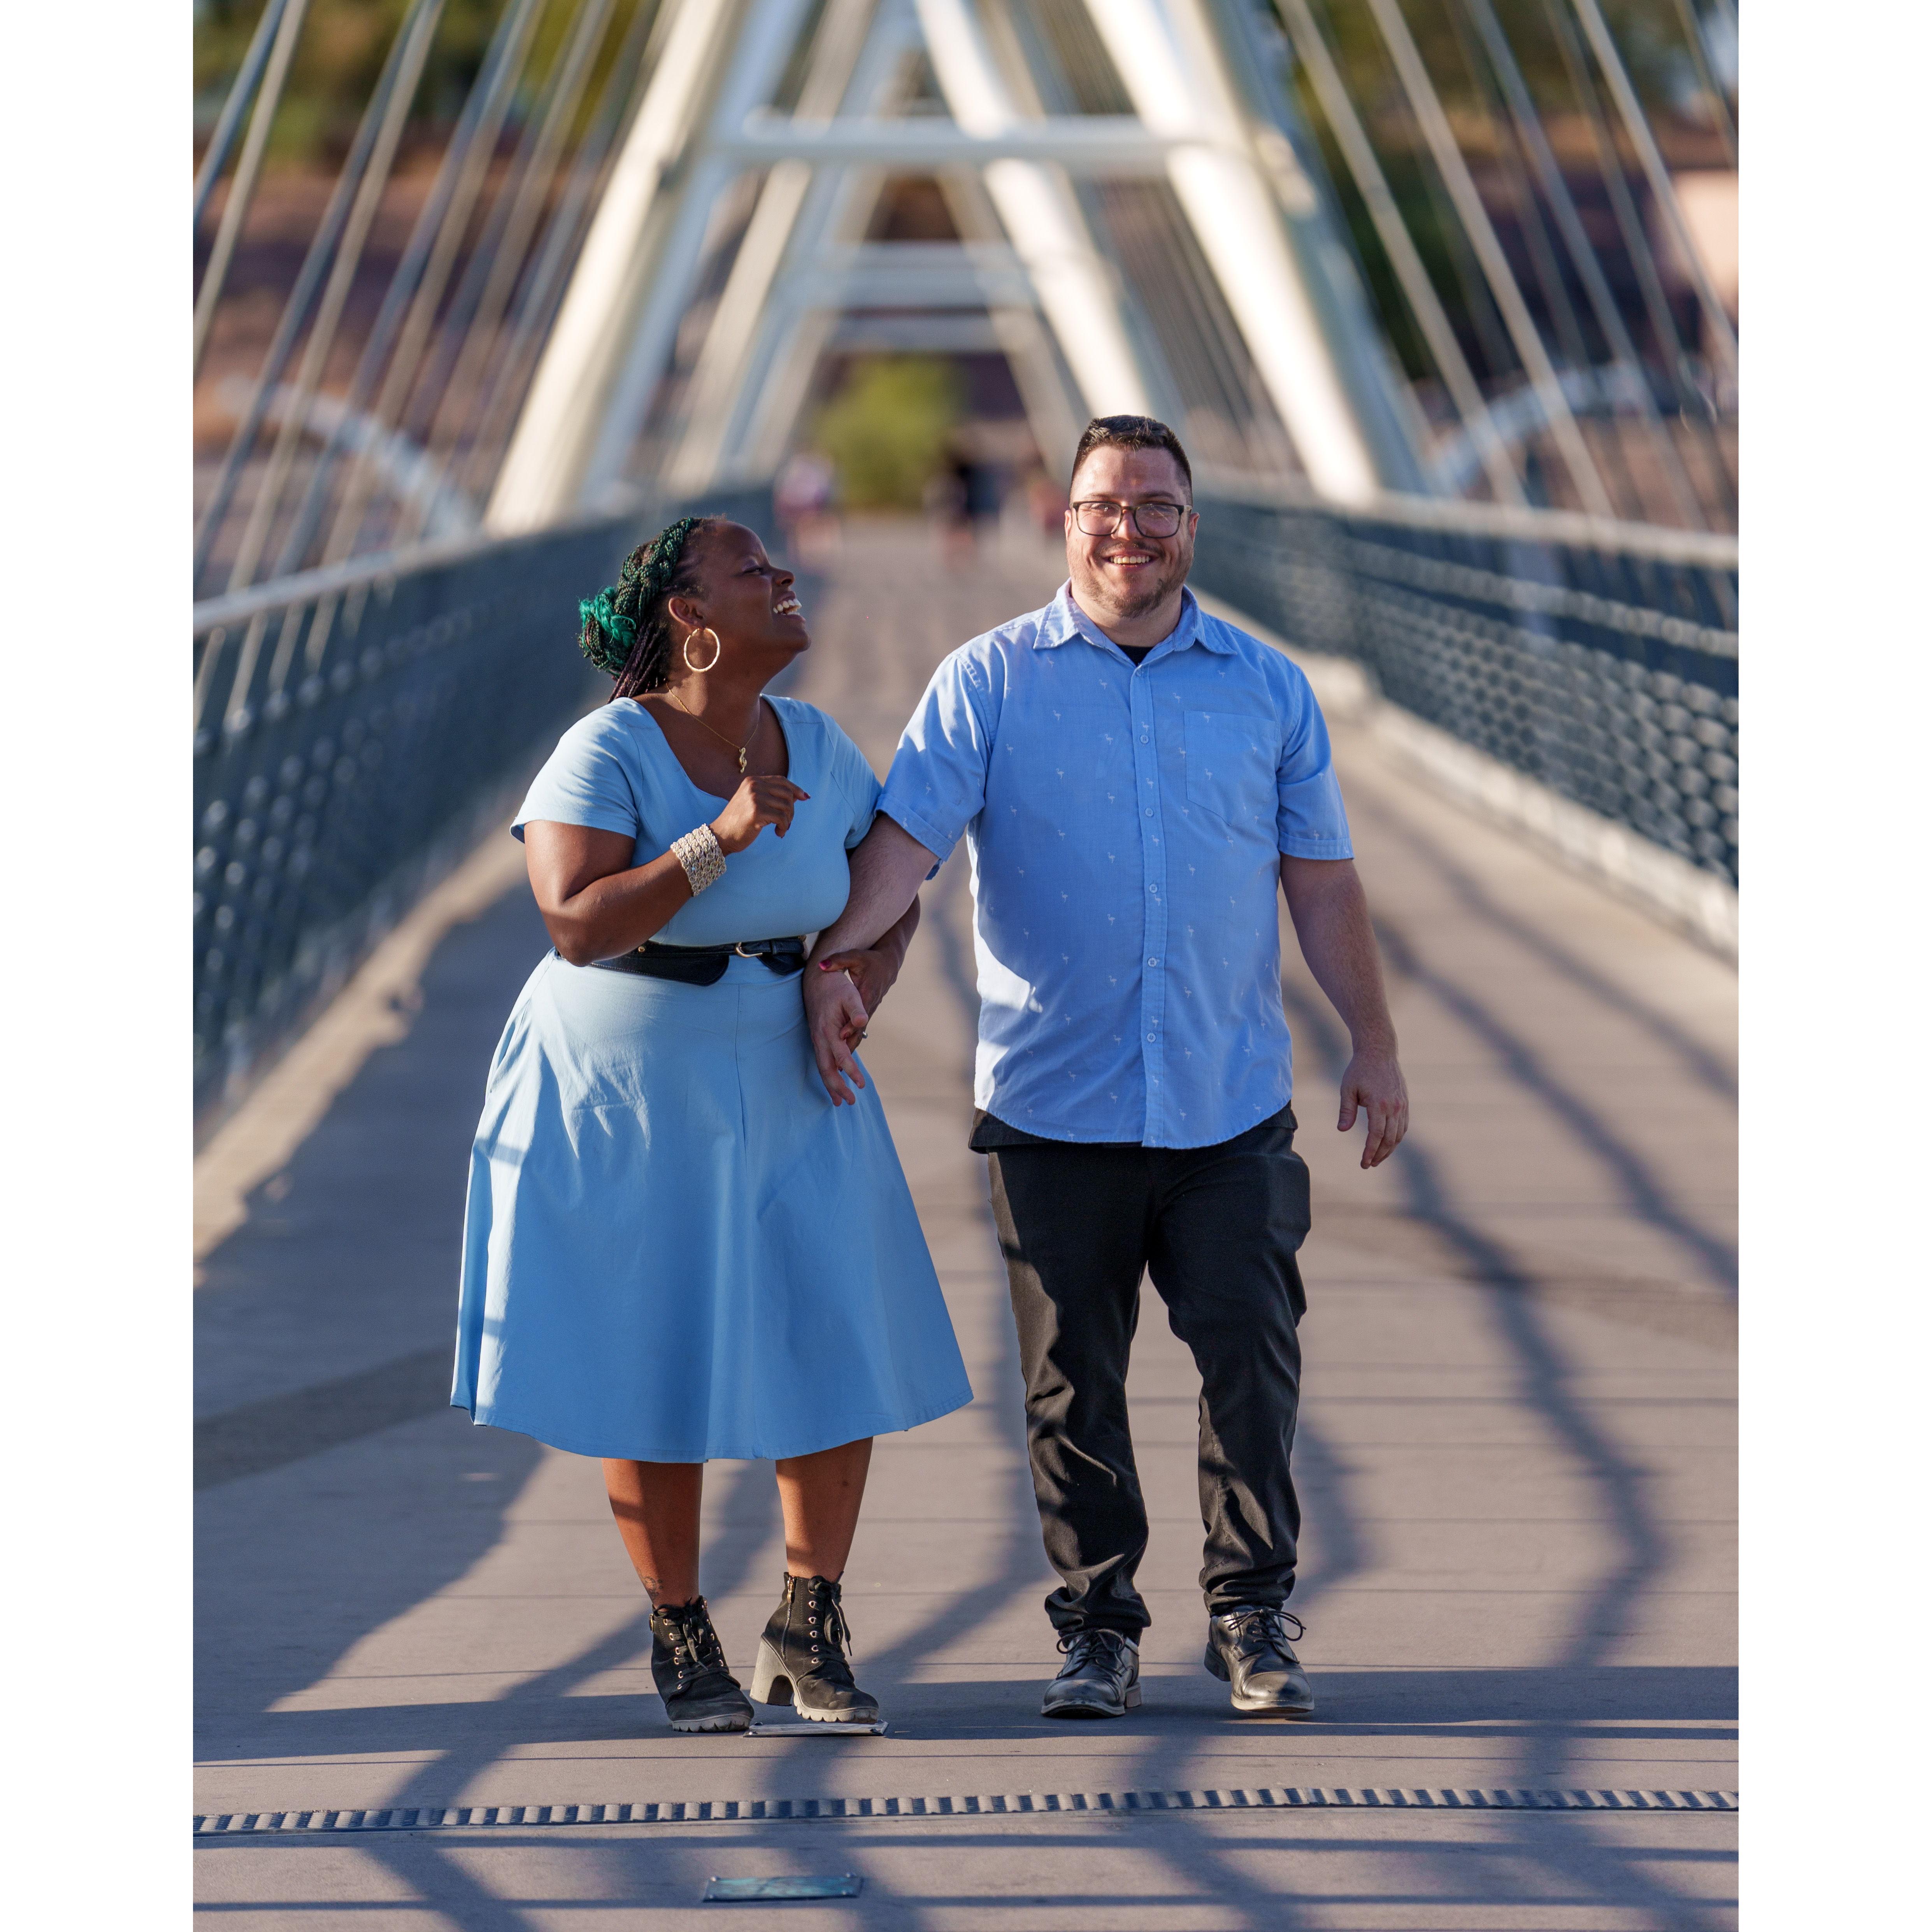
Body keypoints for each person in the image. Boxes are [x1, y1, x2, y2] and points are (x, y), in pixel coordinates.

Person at [805, 416, 1409, 1722]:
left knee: (1252, 1361)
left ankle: (1251, 1616)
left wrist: (1374, 1040)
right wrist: (830, 967)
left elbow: (1321, 883)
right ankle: (1097, 1630)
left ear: (1192, 523)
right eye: (1103, 506)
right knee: (1071, 1388)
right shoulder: (987, 681)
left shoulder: (1266, 687)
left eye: (1155, 505)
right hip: (1051, 1105)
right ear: (1063, 519)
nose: (1128, 528)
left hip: (1228, 1101)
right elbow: (905, 853)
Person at [451, 515, 973, 1736]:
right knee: (653, 1342)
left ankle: (808, 1621)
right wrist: (718, 840)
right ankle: (680, 1625)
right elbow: (575, 922)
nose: (786, 578)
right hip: (626, 1081)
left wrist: (853, 976)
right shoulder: (605, 751)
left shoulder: (822, 743)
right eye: (754, 571)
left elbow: (892, 890)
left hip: (793, 1068)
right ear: (690, 617)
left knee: (830, 1325)